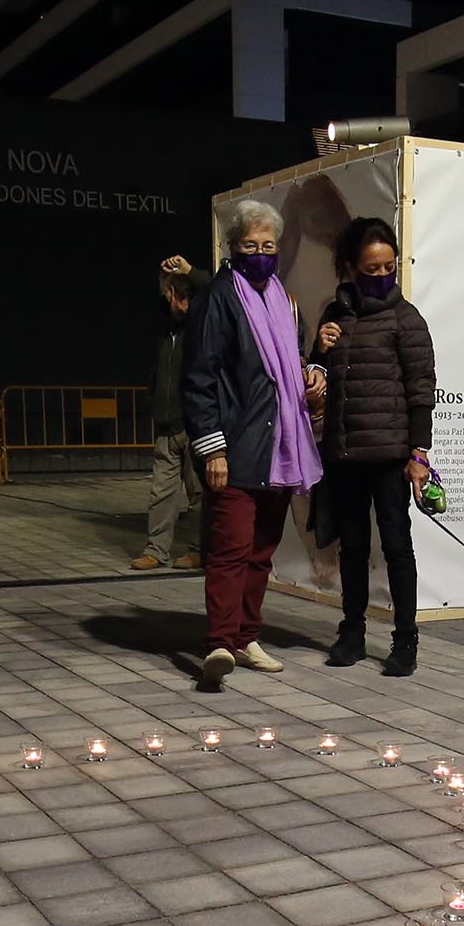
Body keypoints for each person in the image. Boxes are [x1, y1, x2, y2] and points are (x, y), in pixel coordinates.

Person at [180, 199, 325, 689]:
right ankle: (219, 642)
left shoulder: (285, 302)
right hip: (236, 447)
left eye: (268, 245)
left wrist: (309, 377)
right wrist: (212, 448)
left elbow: (293, 362)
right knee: (230, 549)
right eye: (250, 245)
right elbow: (199, 377)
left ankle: (246, 637)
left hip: (280, 447)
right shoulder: (218, 297)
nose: (261, 253)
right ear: (233, 248)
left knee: (262, 550)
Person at [312, 217, 436, 676]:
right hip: (344, 454)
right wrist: (317, 354)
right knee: (353, 548)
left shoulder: (407, 319)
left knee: (397, 546)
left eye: (390, 267)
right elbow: (315, 379)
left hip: (390, 457)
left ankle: (406, 640)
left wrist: (419, 453)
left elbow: (422, 388)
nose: (382, 276)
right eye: (372, 268)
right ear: (350, 266)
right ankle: (352, 632)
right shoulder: (334, 314)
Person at [138, 255, 210, 570]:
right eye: (173, 297)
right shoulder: (165, 330)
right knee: (161, 495)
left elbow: (211, 289)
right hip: (166, 426)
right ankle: (156, 550)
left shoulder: (203, 328)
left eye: (182, 298)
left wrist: (189, 272)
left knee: (200, 495)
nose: (177, 304)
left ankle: (200, 549)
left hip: (193, 426)